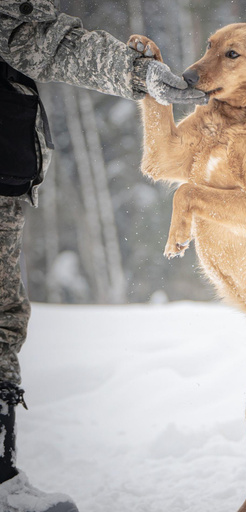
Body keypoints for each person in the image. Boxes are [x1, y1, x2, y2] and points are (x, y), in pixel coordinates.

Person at [0, 1, 205, 511]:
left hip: (5, 179)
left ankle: (1, 480)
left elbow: (39, 39)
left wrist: (138, 73)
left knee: (2, 320)